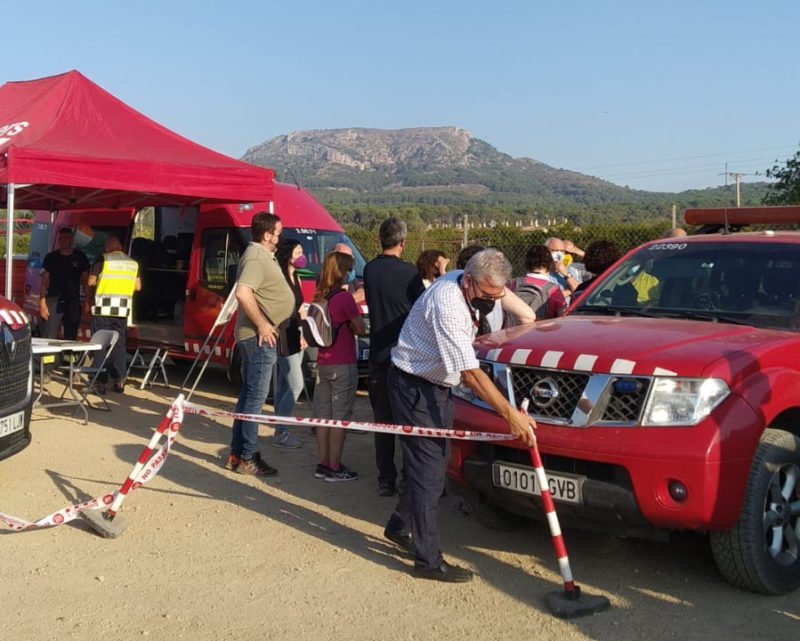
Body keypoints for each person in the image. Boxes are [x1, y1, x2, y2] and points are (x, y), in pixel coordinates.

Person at [384, 248, 536, 582]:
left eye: (496, 296)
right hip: (414, 387)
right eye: (486, 296)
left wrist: (527, 319)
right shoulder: (449, 304)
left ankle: (399, 525)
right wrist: (511, 416)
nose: (492, 302)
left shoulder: (477, 281)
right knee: (429, 472)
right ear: (468, 281)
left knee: (431, 464)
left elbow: (522, 310)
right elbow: (469, 373)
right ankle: (427, 561)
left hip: (437, 386)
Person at [225, 212, 295, 476]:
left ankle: (238, 453)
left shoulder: (261, 255)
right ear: (267, 235)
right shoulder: (255, 256)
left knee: (248, 396)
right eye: (279, 232)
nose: (280, 236)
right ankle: (247, 455)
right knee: (254, 398)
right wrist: (263, 324)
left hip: (259, 335)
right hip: (258, 337)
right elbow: (243, 292)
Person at [363, 217, 425, 497]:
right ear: (403, 242)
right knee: (410, 421)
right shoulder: (409, 273)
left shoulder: (370, 269)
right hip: (405, 356)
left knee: (383, 420)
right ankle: (408, 476)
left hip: (378, 354)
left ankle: (384, 478)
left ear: (380, 240)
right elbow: (422, 308)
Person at [312, 250, 366, 482]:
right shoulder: (344, 298)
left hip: (323, 361)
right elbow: (360, 327)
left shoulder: (320, 295)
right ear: (343, 272)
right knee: (340, 417)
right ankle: (335, 465)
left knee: (323, 416)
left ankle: (323, 462)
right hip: (342, 362)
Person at [86, 236, 141, 394]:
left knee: (99, 345)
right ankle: (120, 379)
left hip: (102, 309)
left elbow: (90, 282)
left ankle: (100, 381)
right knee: (119, 345)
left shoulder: (103, 259)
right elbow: (138, 286)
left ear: (107, 247)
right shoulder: (132, 263)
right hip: (122, 311)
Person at [439, 245, 535, 332]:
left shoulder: (455, 283)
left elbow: (528, 316)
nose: (492, 299)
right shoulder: (451, 303)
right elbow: (527, 316)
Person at [272, 237, 308, 449]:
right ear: (288, 255)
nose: (301, 256)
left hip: (297, 333)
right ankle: (280, 431)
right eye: (298, 252)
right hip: (284, 335)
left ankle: (279, 426)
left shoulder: (297, 278)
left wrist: (303, 333)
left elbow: (300, 309)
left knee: (284, 384)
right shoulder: (279, 279)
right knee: (296, 384)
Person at [39, 227, 90, 340]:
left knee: (71, 337)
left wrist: (87, 301)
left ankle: (69, 357)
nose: (62, 240)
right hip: (53, 301)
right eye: (60, 238)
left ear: (71, 240)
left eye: (66, 238)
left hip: (72, 302)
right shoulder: (51, 257)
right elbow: (43, 283)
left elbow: (86, 282)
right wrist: (42, 304)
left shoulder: (80, 257)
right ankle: (48, 356)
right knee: (48, 335)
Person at [512, 244, 568, 319]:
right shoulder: (553, 289)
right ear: (549, 264)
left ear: (527, 263)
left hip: (515, 329)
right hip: (541, 329)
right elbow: (563, 316)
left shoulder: (514, 283)